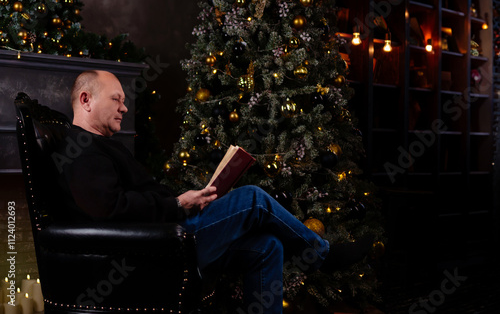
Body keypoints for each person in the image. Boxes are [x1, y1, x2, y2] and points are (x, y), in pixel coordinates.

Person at [56, 70, 372, 314]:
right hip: (154, 248)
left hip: (168, 232)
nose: (124, 107)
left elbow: (129, 200)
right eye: (116, 99)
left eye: (124, 100)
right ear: (85, 100)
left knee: (268, 246)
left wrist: (189, 201)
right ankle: (322, 256)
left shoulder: (103, 146)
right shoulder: (82, 149)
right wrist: (178, 204)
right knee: (252, 197)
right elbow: (108, 210)